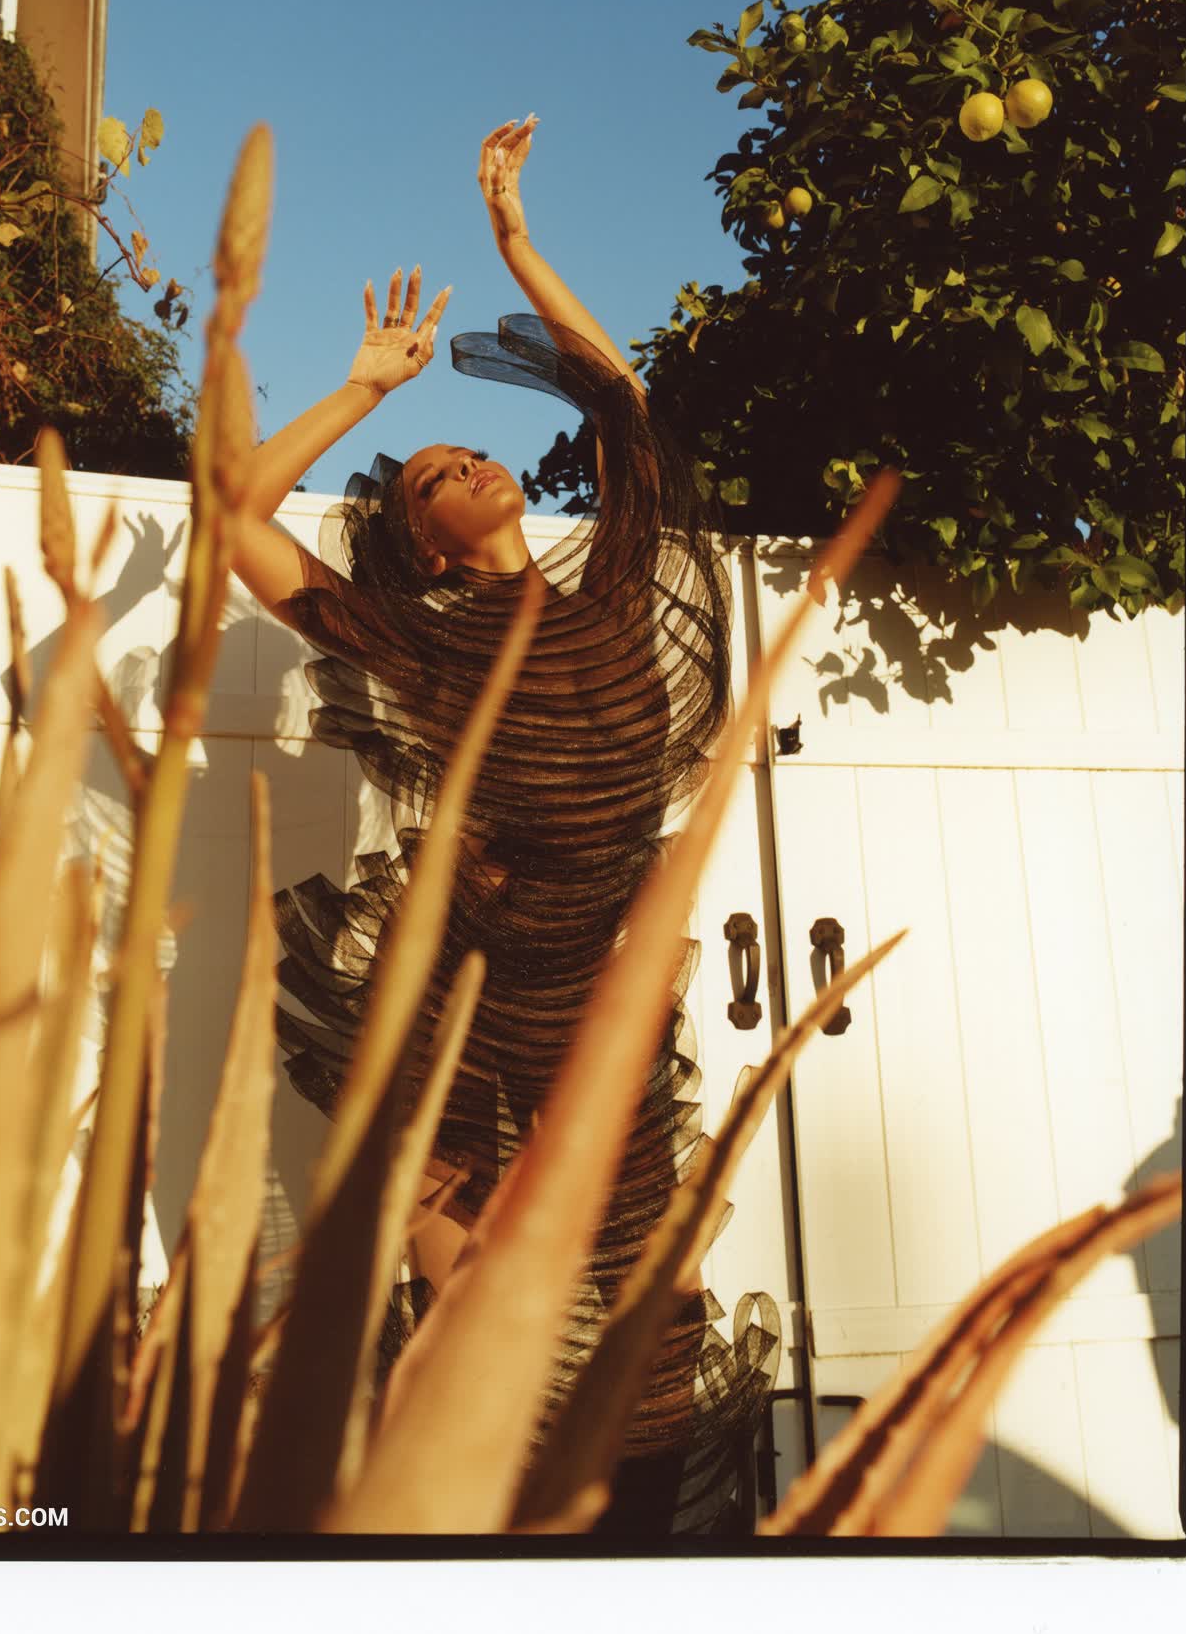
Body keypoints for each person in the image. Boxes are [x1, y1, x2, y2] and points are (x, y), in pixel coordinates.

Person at [228, 119, 777, 1532]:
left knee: (654, 1293)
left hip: (599, 992)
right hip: (470, 998)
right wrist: (364, 390)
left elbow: (620, 403)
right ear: (420, 542)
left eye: (466, 448)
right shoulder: (419, 641)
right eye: (430, 478)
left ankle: (631, 1555)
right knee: (470, 1284)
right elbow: (235, 519)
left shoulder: (612, 596)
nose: (463, 461)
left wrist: (516, 241)